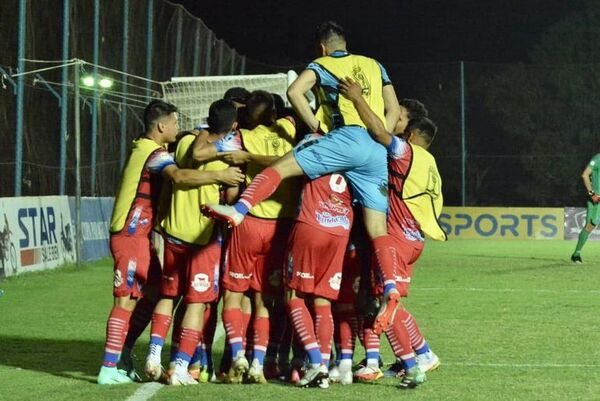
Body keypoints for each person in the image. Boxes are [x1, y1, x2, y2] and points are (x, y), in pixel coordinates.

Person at [202, 21, 403, 344]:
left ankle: (239, 210)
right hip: (375, 149)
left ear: (321, 47)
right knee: (377, 229)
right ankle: (391, 287)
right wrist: (381, 136)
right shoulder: (375, 64)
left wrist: (315, 127)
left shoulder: (322, 64)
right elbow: (393, 108)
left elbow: (294, 91)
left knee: (280, 168)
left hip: (344, 139)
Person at [96, 100, 239, 385]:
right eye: (174, 122)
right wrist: (220, 175)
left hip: (143, 234)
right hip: (130, 233)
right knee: (125, 300)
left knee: (151, 296)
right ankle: (108, 367)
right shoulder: (154, 153)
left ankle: (123, 356)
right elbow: (180, 176)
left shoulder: (151, 147)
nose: (177, 126)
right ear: (162, 126)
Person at [340, 77, 445, 389]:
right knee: (392, 302)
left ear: (410, 132)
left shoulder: (405, 152)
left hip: (396, 240)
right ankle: (422, 354)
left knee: (388, 302)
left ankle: (413, 366)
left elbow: (378, 132)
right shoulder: (431, 163)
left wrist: (358, 99)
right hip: (415, 240)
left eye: (398, 114)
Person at [197, 90, 300, 384]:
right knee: (263, 299)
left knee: (234, 294)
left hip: (250, 222)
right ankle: (257, 363)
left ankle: (239, 354)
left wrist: (208, 136)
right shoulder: (291, 129)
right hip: (281, 227)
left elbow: (199, 153)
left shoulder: (241, 137)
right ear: (273, 114)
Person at [144, 100, 244, 385]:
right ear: (233, 126)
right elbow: (233, 199)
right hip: (203, 237)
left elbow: (171, 181)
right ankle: (179, 367)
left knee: (167, 295)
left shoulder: (186, 140)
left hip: (173, 229)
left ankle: (153, 356)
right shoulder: (227, 153)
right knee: (196, 303)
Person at [283, 133, 354, 388]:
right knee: (323, 301)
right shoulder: (355, 147)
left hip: (312, 224)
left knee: (294, 296)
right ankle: (322, 367)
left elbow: (283, 165)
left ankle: (316, 363)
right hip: (341, 228)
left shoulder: (314, 141)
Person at [571, 154, 600, 263]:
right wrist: (592, 194)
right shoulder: (597, 159)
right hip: (597, 199)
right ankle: (576, 254)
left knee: (589, 226)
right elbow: (585, 175)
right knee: (592, 224)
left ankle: (576, 254)